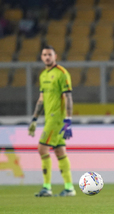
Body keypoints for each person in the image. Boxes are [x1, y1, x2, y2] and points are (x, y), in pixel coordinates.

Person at [28, 45, 75, 197]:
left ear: (56, 56)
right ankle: (69, 188)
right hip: (49, 118)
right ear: (41, 57)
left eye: (50, 54)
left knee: (42, 149)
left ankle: (47, 187)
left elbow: (68, 97)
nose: (47, 57)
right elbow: (41, 99)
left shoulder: (62, 74)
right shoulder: (43, 76)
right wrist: (35, 119)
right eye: (44, 55)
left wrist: (68, 120)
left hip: (57, 118)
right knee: (60, 150)